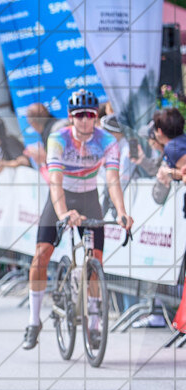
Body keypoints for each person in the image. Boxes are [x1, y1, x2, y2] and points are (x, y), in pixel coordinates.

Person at [22, 89, 133, 351]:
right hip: (61, 197)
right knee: (41, 256)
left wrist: (122, 212)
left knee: (96, 261)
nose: (85, 120)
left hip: (88, 198)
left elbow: (113, 180)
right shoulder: (58, 139)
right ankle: (33, 321)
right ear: (71, 117)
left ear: (96, 117)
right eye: (79, 115)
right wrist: (63, 215)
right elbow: (55, 182)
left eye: (90, 115)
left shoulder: (107, 140)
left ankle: (94, 324)